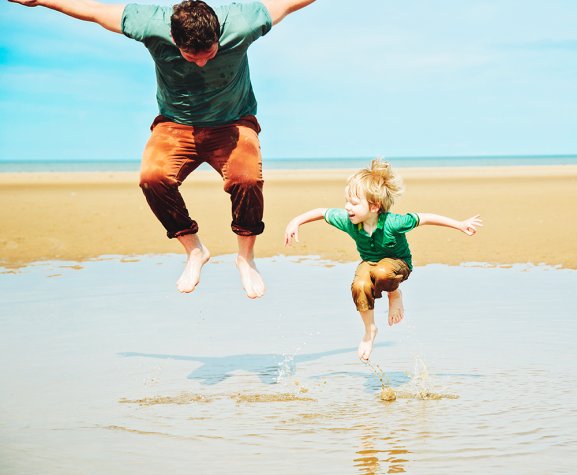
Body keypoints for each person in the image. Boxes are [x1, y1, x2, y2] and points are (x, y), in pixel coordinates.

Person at [8, 0, 316, 299]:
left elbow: (289, 3)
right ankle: (194, 249)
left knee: (246, 179)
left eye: (209, 53)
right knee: (152, 178)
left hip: (233, 121)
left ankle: (245, 258)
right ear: (173, 38)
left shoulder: (242, 21)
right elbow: (94, 10)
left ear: (218, 35)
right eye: (191, 56)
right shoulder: (149, 23)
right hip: (175, 123)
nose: (202, 63)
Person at [284, 159, 482, 361]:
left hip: (398, 264)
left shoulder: (393, 222)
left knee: (382, 272)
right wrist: (295, 221)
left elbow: (426, 218)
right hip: (369, 263)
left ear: (374, 206)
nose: (347, 207)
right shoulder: (348, 220)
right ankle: (369, 331)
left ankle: (394, 294)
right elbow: (321, 212)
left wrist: (459, 224)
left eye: (354, 203)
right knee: (359, 285)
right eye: (346, 201)